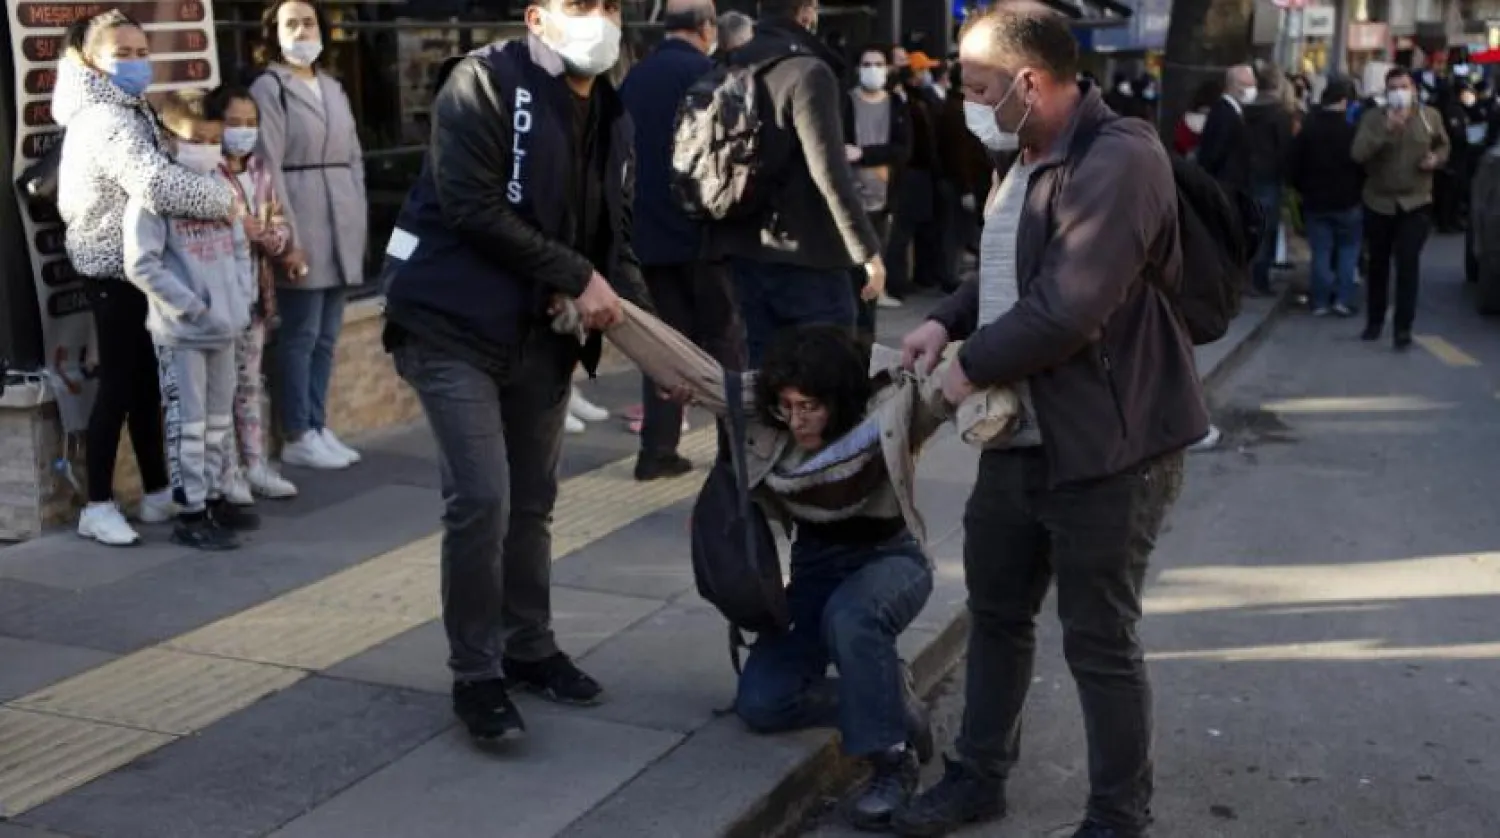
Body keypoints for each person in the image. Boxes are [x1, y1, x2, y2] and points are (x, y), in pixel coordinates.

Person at [892, 5, 1206, 837]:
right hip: (1020, 440)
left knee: (1099, 640)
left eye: (978, 87)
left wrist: (961, 373)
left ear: (1030, 83)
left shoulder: (1122, 159)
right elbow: (1008, 272)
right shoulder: (1027, 152)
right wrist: (947, 317)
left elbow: (1067, 309)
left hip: (1109, 444)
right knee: (995, 616)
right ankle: (977, 778)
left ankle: (1116, 816)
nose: (968, 102)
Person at [381, 0, 649, 743]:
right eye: (578, 5)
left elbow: (614, 238)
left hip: (540, 334)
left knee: (532, 501)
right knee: (482, 499)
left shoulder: (614, 113)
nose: (598, 18)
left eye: (610, 6)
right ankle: (477, 673)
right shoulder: (482, 83)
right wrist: (576, 273)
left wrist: (653, 337)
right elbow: (469, 205)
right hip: (450, 325)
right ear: (537, 16)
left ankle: (529, 647)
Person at [53, 10, 236, 547]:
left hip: (136, 269)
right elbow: (156, 184)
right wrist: (226, 200)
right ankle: (97, 504)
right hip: (116, 271)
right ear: (90, 59)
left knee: (147, 388)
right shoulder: (105, 118)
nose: (135, 63)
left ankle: (156, 490)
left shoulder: (126, 108)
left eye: (141, 52)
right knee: (118, 387)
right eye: (121, 54)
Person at [709, 0, 886, 366]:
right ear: (807, 12)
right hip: (810, 256)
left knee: (762, 378)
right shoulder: (807, 71)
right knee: (826, 378)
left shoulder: (729, 66)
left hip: (744, 248)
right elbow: (830, 172)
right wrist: (866, 251)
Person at [123, 92, 259, 550]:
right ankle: (191, 511)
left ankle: (216, 498)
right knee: (190, 424)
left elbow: (240, 249)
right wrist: (193, 306)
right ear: (169, 139)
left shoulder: (222, 191)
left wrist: (241, 299)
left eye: (214, 140)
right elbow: (142, 264)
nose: (207, 147)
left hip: (225, 327)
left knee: (218, 421)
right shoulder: (154, 199)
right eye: (196, 139)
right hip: (183, 332)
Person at [620, 0, 746, 480]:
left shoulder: (635, 79)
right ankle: (734, 451)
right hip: (704, 236)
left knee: (666, 344)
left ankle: (657, 449)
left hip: (649, 236)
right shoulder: (713, 74)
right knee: (726, 343)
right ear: (706, 27)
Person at [252, 0, 368, 471]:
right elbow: (268, 167)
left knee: (326, 336)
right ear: (274, 32)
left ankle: (318, 424)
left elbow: (355, 157)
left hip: (341, 215)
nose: (303, 31)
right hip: (303, 212)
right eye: (292, 23)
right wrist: (286, 236)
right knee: (299, 334)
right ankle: (297, 430)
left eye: (309, 22)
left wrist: (359, 216)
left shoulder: (333, 88)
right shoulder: (269, 88)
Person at [207, 86, 302, 503]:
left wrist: (260, 233)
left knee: (249, 386)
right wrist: (251, 230)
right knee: (221, 391)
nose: (243, 132)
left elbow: (279, 230)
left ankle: (256, 466)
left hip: (254, 299)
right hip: (216, 301)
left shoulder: (260, 169)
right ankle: (227, 475)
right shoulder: (206, 171)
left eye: (250, 123)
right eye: (234, 123)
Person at [1352, 66, 1449, 350]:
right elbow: (1357, 154)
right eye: (1393, 87)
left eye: (1403, 87)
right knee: (1378, 264)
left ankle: (1403, 327)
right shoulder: (1373, 119)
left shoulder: (1429, 117)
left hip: (1416, 201)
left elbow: (1444, 145)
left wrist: (1436, 159)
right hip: (1379, 201)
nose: (1399, 92)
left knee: (1408, 263)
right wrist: (1386, 131)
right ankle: (1375, 320)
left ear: (1414, 89)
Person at [843, 45, 913, 358]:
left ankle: (865, 344)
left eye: (878, 63)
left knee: (873, 275)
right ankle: (849, 339)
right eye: (867, 63)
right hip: (848, 201)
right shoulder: (846, 103)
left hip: (882, 201)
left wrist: (865, 154)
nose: (872, 69)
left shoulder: (897, 104)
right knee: (850, 275)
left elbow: (903, 150)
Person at [1288, 78, 1364, 317]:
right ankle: (1342, 299)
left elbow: (1293, 165)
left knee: (1320, 251)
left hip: (1315, 200)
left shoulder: (1308, 130)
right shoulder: (1352, 132)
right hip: (1348, 200)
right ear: (1344, 102)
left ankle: (1319, 300)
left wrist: (1302, 188)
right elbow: (1363, 165)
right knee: (1347, 251)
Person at [1244, 66, 1294, 297]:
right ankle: (1259, 279)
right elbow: (1285, 150)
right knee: (1266, 229)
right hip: (1270, 176)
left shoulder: (1244, 111)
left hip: (1246, 175)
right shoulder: (1280, 114)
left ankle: (1247, 277)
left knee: (1249, 228)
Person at [1197, 64, 1257, 194]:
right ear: (1233, 85)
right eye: (1246, 84)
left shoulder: (1232, 111)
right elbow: (1214, 152)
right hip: (1225, 185)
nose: (1251, 89)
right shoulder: (1224, 113)